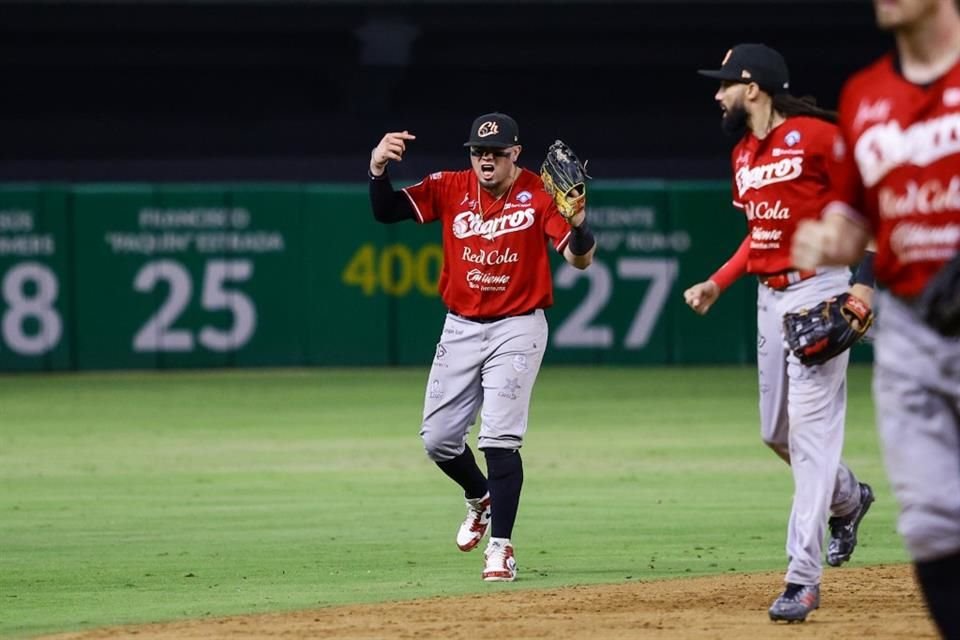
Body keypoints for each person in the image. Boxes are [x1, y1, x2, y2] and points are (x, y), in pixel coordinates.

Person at [683, 43, 877, 623]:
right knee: (776, 433)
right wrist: (719, 282)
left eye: (724, 85)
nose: (717, 96)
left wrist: (863, 287)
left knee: (813, 440)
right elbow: (759, 232)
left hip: (821, 289)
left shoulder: (817, 137)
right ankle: (850, 499)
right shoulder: (743, 154)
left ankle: (802, 577)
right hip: (770, 298)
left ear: (754, 87)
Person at [366, 112, 596, 582]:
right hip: (460, 327)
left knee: (498, 438)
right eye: (477, 152)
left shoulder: (538, 194)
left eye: (495, 152)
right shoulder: (450, 187)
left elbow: (580, 260)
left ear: (515, 153)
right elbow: (386, 211)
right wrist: (377, 169)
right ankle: (481, 497)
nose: (485, 160)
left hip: (518, 327)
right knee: (437, 440)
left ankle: (502, 547)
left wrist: (580, 225)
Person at [791, 1, 960, 636]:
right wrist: (834, 242)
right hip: (911, 329)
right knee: (933, 522)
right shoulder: (865, 96)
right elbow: (857, 213)